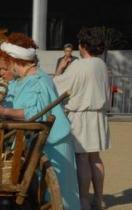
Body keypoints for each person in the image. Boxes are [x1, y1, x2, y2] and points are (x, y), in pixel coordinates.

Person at [0, 33, 80, 210]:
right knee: (40, 193)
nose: (6, 69)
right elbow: (9, 98)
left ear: (16, 60)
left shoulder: (38, 81)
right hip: (37, 143)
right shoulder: (21, 80)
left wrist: (2, 111)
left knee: (61, 195)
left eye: (8, 63)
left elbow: (33, 114)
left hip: (54, 145)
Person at [53, 27, 110, 210]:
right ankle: (99, 198)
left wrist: (60, 70)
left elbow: (58, 88)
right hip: (98, 115)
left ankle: (84, 200)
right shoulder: (101, 64)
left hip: (81, 115)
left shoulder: (78, 65)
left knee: (82, 158)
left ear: (84, 45)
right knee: (96, 158)